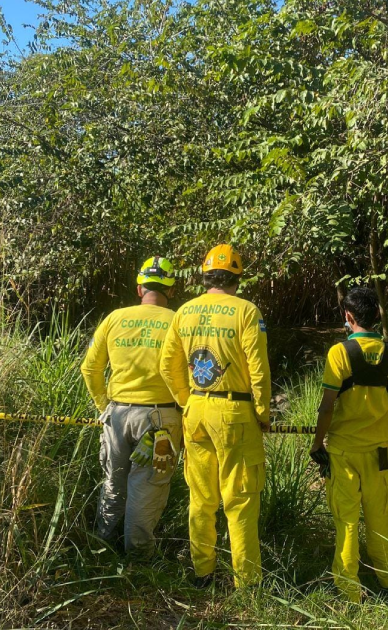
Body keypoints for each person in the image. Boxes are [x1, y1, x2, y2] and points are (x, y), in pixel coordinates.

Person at [159, 244, 271, 589]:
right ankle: (247, 583)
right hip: (235, 413)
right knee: (240, 500)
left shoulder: (184, 311)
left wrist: (186, 400)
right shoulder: (247, 312)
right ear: (237, 277)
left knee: (201, 498)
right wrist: (263, 411)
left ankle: (202, 573)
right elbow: (258, 368)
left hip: (196, 410)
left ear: (205, 277)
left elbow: (167, 365)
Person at [308, 286, 388, 603]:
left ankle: (349, 589)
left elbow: (327, 407)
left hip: (342, 452)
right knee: (380, 516)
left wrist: (316, 444)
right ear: (376, 317)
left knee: (347, 520)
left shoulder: (339, 353)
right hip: (379, 452)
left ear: (348, 317)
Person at [80, 256, 182, 555]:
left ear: (139, 289)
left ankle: (102, 549)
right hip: (161, 419)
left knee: (114, 483)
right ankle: (138, 562)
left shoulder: (114, 318)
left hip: (117, 414)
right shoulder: (179, 320)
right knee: (147, 489)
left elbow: (90, 369)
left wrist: (104, 408)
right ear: (172, 291)